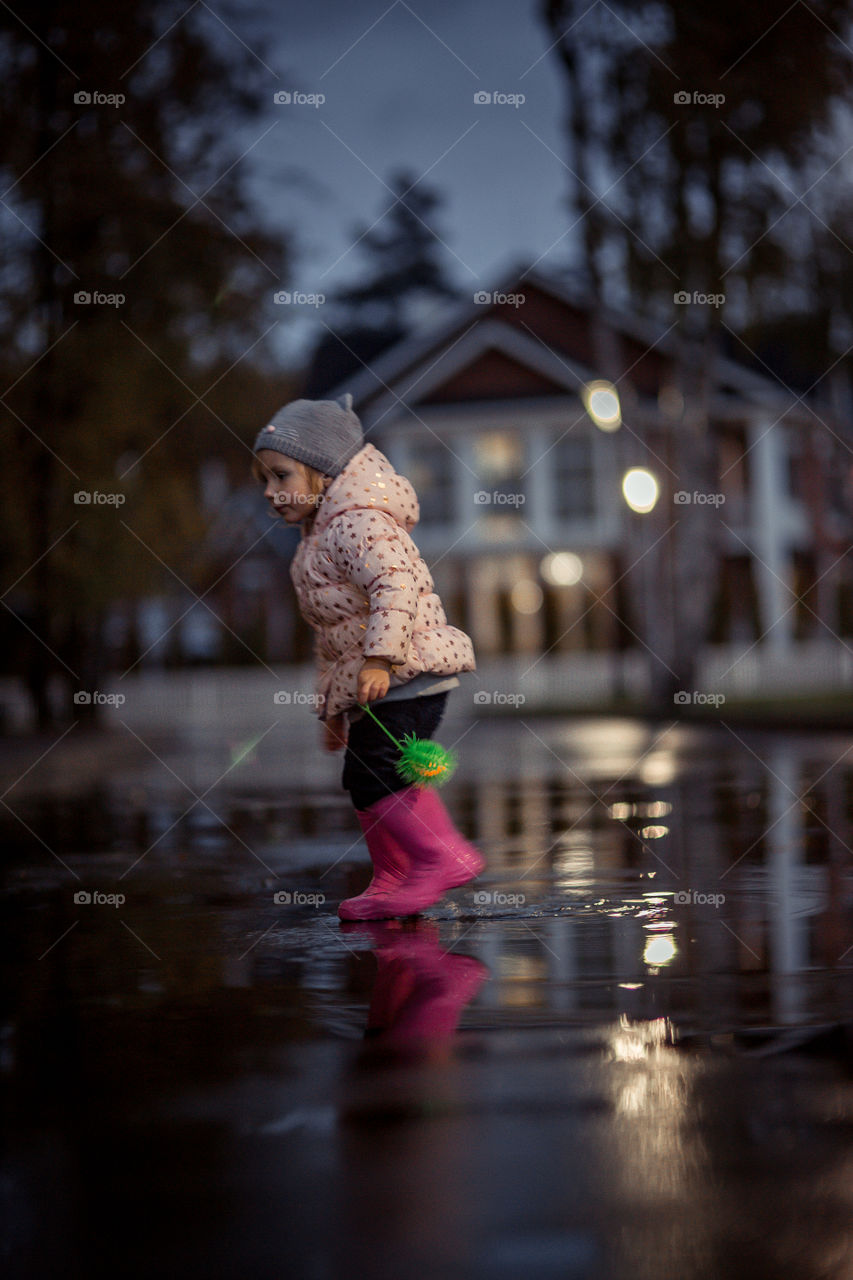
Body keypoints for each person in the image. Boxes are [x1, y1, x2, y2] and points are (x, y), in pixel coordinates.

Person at [252, 393, 485, 919]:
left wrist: (380, 659)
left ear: (322, 472)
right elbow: (331, 640)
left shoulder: (357, 523)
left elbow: (396, 585)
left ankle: (441, 856)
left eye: (281, 476)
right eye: (263, 480)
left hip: (408, 670)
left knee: (381, 769)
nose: (270, 492)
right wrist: (333, 710)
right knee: (363, 777)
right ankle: (393, 877)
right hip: (375, 680)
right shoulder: (315, 541)